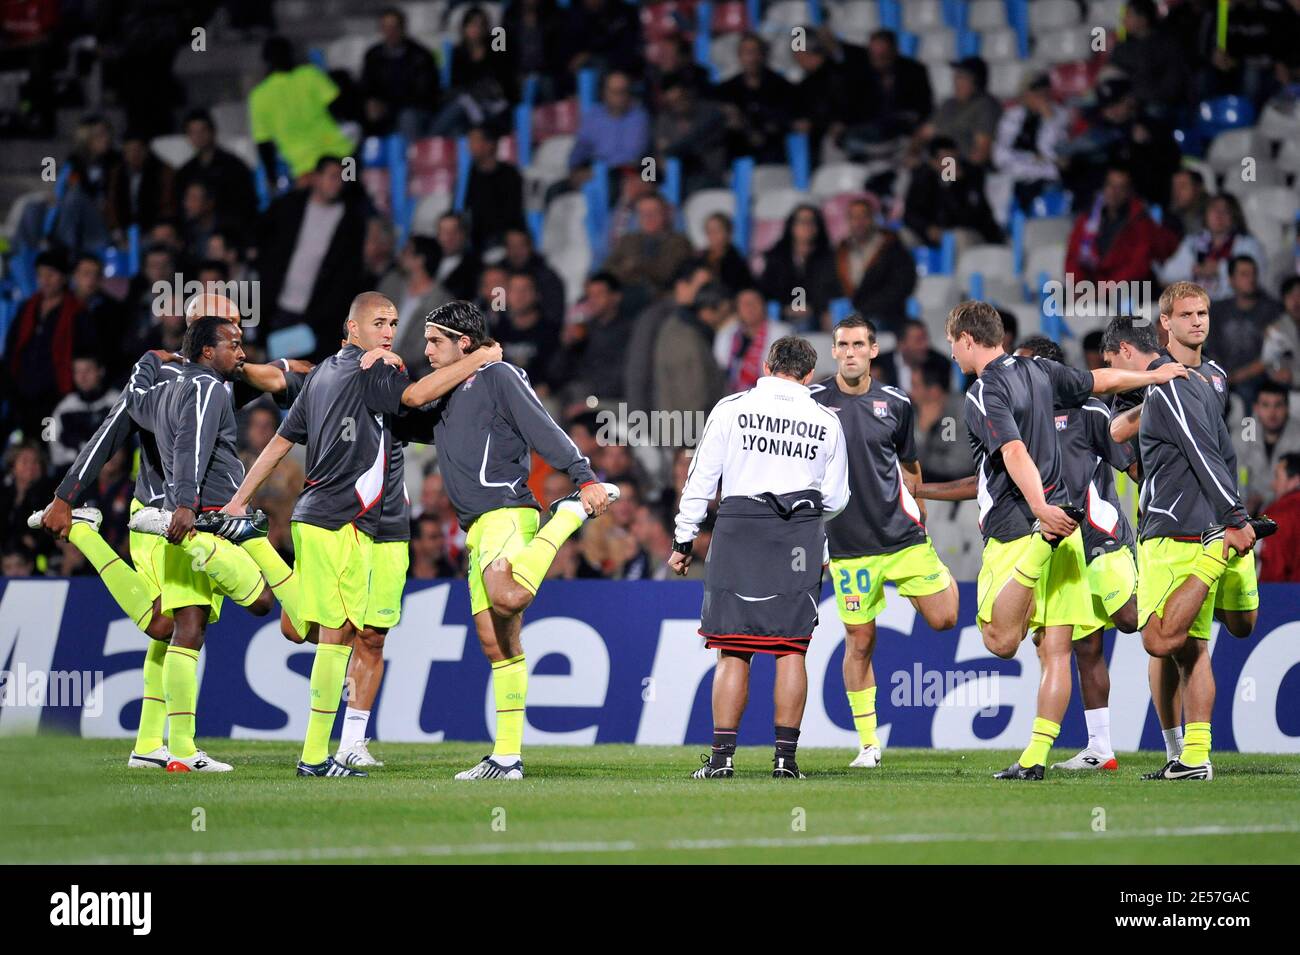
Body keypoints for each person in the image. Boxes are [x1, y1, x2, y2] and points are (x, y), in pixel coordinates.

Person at [222, 293, 500, 777]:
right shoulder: (374, 370)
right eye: (378, 323)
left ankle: (350, 743)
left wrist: (240, 498)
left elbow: (284, 440)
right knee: (328, 631)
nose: (389, 331)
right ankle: (314, 757)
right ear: (351, 327)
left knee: (367, 634)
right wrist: (482, 357)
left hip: (381, 522)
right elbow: (414, 398)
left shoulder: (332, 374)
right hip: (346, 519)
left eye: (393, 322)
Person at [919, 301, 1185, 780]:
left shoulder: (983, 391)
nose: (952, 353)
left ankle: (1050, 754)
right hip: (1066, 529)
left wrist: (1039, 509)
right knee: (1059, 648)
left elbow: (1014, 450)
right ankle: (1035, 759)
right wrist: (1153, 378)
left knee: (1000, 640)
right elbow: (1100, 380)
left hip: (1023, 529)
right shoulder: (1039, 369)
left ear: (966, 339)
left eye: (952, 343)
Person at [385, 300, 619, 780]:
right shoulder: (450, 393)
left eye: (435, 341)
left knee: (508, 597)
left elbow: (543, 428)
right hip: (479, 528)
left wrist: (583, 476)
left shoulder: (500, 376)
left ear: (463, 344)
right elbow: (403, 413)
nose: (426, 349)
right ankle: (507, 758)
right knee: (498, 644)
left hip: (507, 515)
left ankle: (568, 516)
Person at [671, 335, 849, 779]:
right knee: (791, 649)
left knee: (732, 648)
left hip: (739, 529)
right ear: (810, 375)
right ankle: (785, 762)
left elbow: (701, 479)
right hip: (797, 537)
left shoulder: (732, 408)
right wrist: (808, 525)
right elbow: (838, 496)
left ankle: (721, 760)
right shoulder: (826, 419)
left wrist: (683, 539)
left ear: (767, 365)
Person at [1116, 283, 1270, 780]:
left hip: (1183, 530)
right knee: (1203, 643)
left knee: (1164, 642)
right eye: (1186, 315)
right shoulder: (1170, 378)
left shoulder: (1197, 379)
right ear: (1166, 323)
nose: (1198, 322)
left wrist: (1232, 515)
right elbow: (1204, 449)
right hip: (1211, 522)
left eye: (1203, 313)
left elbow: (1213, 450)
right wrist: (1235, 515)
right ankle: (1195, 758)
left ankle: (1186, 754)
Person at [810, 316, 958, 769]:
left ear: (874, 351)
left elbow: (909, 462)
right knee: (860, 642)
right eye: (842, 344)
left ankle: (940, 567)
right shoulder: (814, 402)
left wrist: (918, 500)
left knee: (946, 618)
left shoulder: (895, 403)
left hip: (902, 538)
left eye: (859, 344)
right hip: (849, 546)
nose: (850, 351)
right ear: (834, 351)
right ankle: (869, 744)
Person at [1016, 336, 1139, 773]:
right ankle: (1100, 748)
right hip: (1063, 548)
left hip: (1102, 538)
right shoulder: (1023, 422)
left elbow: (1132, 465)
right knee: (1086, 646)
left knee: (1134, 620)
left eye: (1027, 368)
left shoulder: (1089, 411)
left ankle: (1194, 597)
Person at [257, 156, 368, 358]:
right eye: (332, 176)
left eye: (341, 178)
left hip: (316, 316)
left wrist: (324, 314)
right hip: (278, 305)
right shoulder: (290, 206)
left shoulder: (351, 221)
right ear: (316, 178)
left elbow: (347, 274)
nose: (338, 182)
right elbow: (266, 245)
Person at [249, 36, 355, 183]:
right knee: (354, 192)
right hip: (344, 157)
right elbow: (341, 109)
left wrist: (271, 178)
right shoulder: (310, 75)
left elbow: (264, 144)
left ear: (265, 61)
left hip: (304, 169)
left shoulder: (258, 96)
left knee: (315, 203)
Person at [1064, 165, 1179, 288]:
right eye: (1110, 185)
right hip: (1091, 289)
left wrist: (1105, 291)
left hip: (1127, 290)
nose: (1114, 192)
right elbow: (1073, 257)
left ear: (1129, 192)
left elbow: (1137, 267)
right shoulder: (1087, 218)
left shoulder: (1141, 223)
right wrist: (1078, 286)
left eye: (1120, 188)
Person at [1158, 194, 1267, 301]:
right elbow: (1167, 276)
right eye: (1214, 209)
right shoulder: (1192, 243)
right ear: (1206, 215)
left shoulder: (1248, 244)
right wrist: (1193, 270)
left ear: (1234, 216)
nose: (1219, 215)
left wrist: (1219, 269)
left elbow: (1256, 280)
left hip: (1230, 306)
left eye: (1225, 211)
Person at [173, 109, 258, 243]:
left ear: (212, 131)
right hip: (195, 235)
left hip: (232, 233)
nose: (199, 136)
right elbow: (180, 209)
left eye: (202, 131)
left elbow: (247, 204)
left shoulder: (234, 165)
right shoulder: (185, 172)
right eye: (193, 132)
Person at [836, 197, 915, 334]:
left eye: (863, 216)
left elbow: (901, 285)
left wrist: (866, 310)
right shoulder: (841, 251)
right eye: (854, 217)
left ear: (872, 219)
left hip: (885, 315)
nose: (859, 222)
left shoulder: (892, 246)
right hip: (849, 315)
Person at [992, 72, 1070, 212]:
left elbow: (1053, 155)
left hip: (1045, 181)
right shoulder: (1012, 116)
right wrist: (1032, 158)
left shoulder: (1060, 116)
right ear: (1025, 94)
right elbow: (1000, 156)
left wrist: (1049, 120)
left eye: (1043, 93)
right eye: (1035, 93)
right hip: (1015, 178)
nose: (1040, 98)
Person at [360, 6, 440, 140]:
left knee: (408, 117)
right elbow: (366, 86)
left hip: (414, 111)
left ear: (403, 28)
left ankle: (414, 157)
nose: (390, 32)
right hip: (383, 113)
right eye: (386, 27)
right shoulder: (373, 55)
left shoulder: (420, 55)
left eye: (394, 27)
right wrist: (371, 103)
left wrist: (389, 107)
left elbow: (424, 95)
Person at [714, 32, 795, 164]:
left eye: (755, 52)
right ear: (739, 57)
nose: (751, 58)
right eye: (746, 53)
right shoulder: (726, 90)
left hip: (773, 154)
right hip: (738, 154)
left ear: (764, 55)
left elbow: (783, 120)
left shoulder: (782, 87)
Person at [1210, 255, 1282, 400]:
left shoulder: (1272, 310)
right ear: (1231, 280)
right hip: (1220, 375)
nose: (1251, 279)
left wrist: (1236, 377)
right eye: (1244, 274)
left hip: (1258, 379)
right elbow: (1211, 349)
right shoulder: (1217, 310)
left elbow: (1271, 356)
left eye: (1254, 273)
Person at [759, 204, 841, 329]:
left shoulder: (828, 257)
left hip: (816, 316)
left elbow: (833, 290)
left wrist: (814, 309)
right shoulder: (777, 257)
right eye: (802, 221)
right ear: (791, 226)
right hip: (783, 315)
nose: (807, 226)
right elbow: (767, 291)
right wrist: (785, 309)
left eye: (811, 222)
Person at [1235, 380, 1300, 514]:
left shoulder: (1298, 434)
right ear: (1256, 408)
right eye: (1265, 405)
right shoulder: (1242, 434)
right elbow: (1238, 475)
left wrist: (1262, 498)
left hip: (1289, 510)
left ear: (1287, 408)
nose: (1272, 412)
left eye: (1278, 405)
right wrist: (1245, 502)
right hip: (1246, 510)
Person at [713, 286, 792, 394]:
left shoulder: (782, 333)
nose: (750, 307)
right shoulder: (727, 333)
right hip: (732, 397)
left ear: (764, 306)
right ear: (736, 309)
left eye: (755, 302)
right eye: (745, 304)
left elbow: (782, 375)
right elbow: (720, 367)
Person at [49, 354, 120, 470]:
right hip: (74, 474)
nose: (83, 377)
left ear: (100, 371)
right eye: (77, 371)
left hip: (114, 473)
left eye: (88, 370)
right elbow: (55, 450)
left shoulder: (117, 402)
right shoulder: (64, 408)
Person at [463, 126, 525, 250]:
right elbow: (463, 209)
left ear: (489, 144)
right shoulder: (467, 177)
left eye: (474, 141)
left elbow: (514, 213)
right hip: (476, 243)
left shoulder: (510, 174)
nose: (469, 147)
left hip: (506, 241)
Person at [1259, 453, 1300, 582]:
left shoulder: (1277, 516)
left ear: (1295, 481)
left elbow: (1272, 569)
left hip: (1285, 595)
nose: (1273, 484)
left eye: (1277, 477)